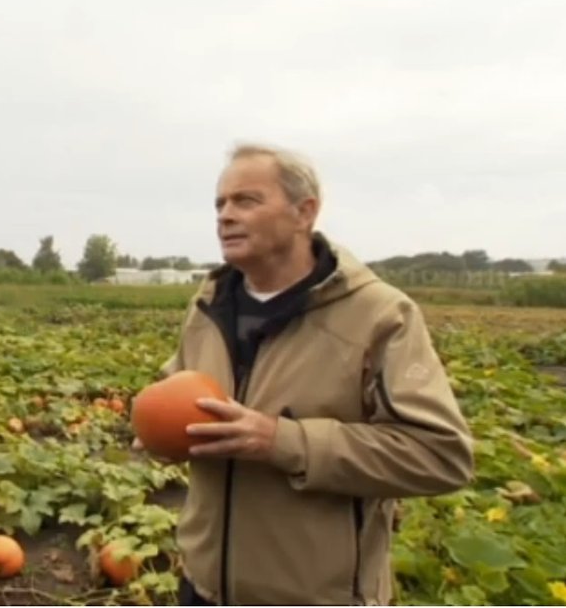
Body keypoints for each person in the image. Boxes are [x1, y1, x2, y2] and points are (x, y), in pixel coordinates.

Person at [142, 144, 474, 605]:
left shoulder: (379, 316)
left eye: (246, 201)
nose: (225, 216)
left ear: (305, 212)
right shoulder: (209, 306)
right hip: (203, 587)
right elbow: (175, 392)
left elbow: (441, 455)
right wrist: (159, 435)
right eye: (220, 203)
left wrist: (283, 441)